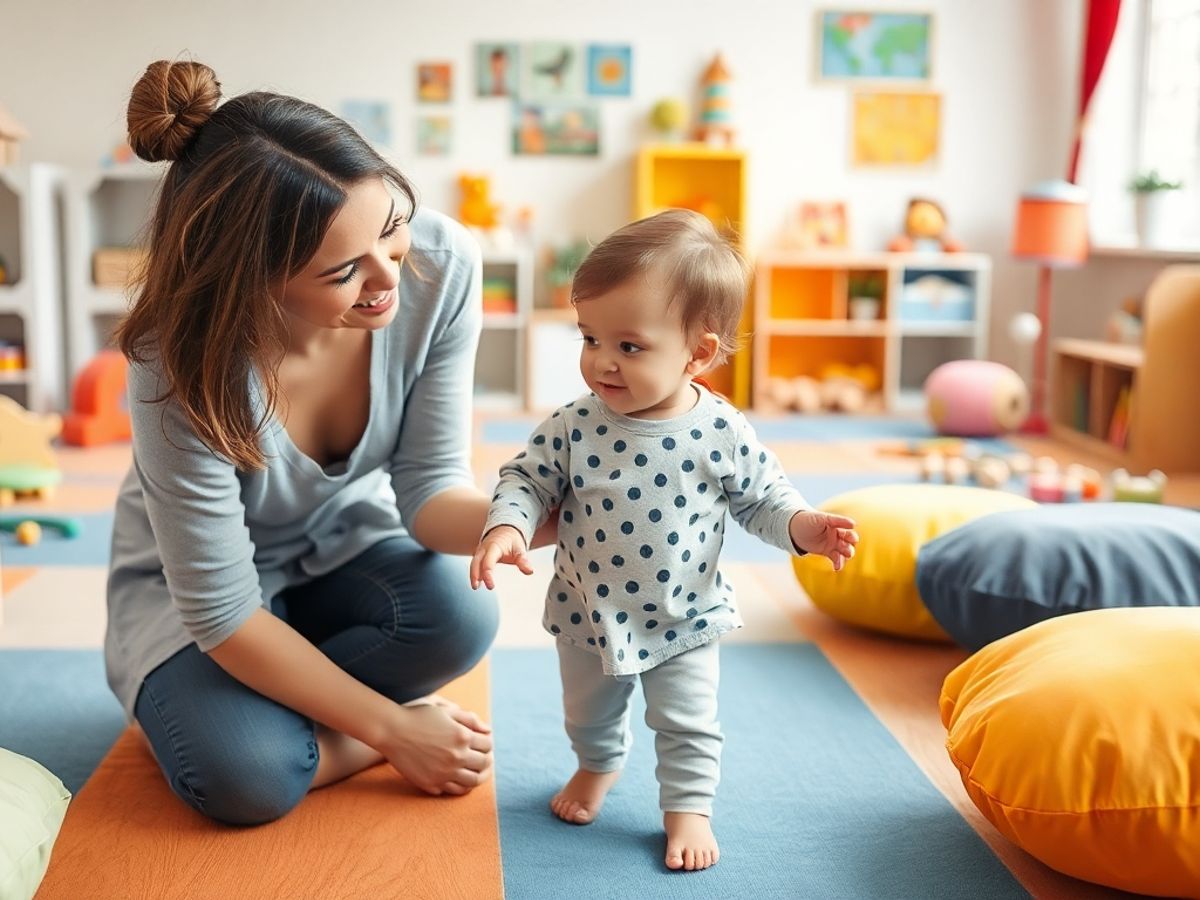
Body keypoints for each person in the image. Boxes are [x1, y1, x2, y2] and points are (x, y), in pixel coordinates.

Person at [108, 59, 553, 826]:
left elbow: (429, 488)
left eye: (391, 229)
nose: (387, 277)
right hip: (193, 598)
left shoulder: (440, 267)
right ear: (253, 278)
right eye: (344, 270)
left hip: (336, 549)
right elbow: (220, 612)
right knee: (245, 781)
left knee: (463, 615)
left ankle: (276, 724)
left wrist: (537, 517)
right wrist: (390, 731)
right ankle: (283, 731)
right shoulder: (175, 362)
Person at [469, 210, 860, 871]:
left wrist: (801, 527)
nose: (600, 362)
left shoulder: (721, 431)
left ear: (698, 354)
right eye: (589, 337)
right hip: (587, 612)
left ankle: (687, 809)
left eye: (629, 347)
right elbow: (526, 480)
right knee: (585, 714)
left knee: (686, 723)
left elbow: (763, 498)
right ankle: (597, 766)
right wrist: (507, 525)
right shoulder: (573, 424)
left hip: (686, 616)